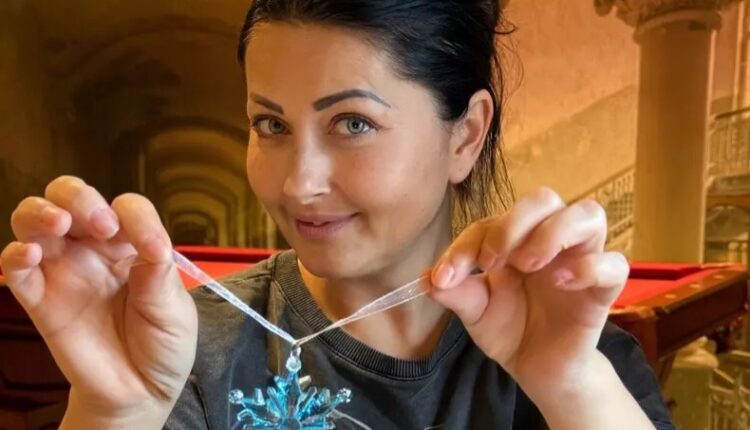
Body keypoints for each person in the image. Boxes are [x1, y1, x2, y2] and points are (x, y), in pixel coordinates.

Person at [0, 1, 676, 429]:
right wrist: (115, 413)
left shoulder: (577, 358)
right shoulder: (188, 351)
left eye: (353, 122)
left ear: (465, 135)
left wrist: (572, 388)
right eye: (270, 124)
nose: (299, 183)